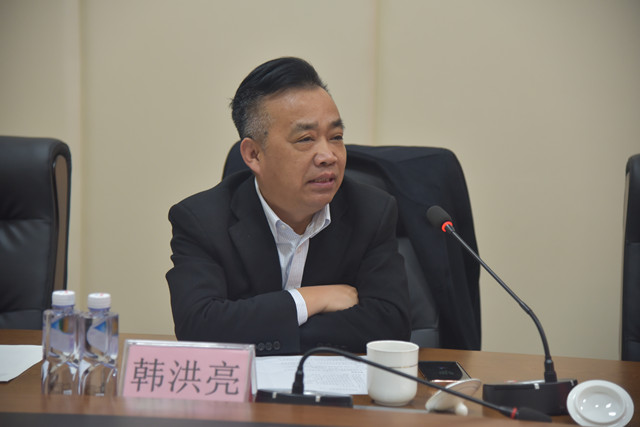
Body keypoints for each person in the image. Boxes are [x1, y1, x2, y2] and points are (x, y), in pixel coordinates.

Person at [166, 57, 410, 355]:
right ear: (254, 154)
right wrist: (309, 300)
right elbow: (199, 326)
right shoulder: (202, 221)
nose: (328, 156)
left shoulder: (372, 211)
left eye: (336, 137)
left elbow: (390, 324)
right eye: (306, 139)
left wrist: (261, 325)